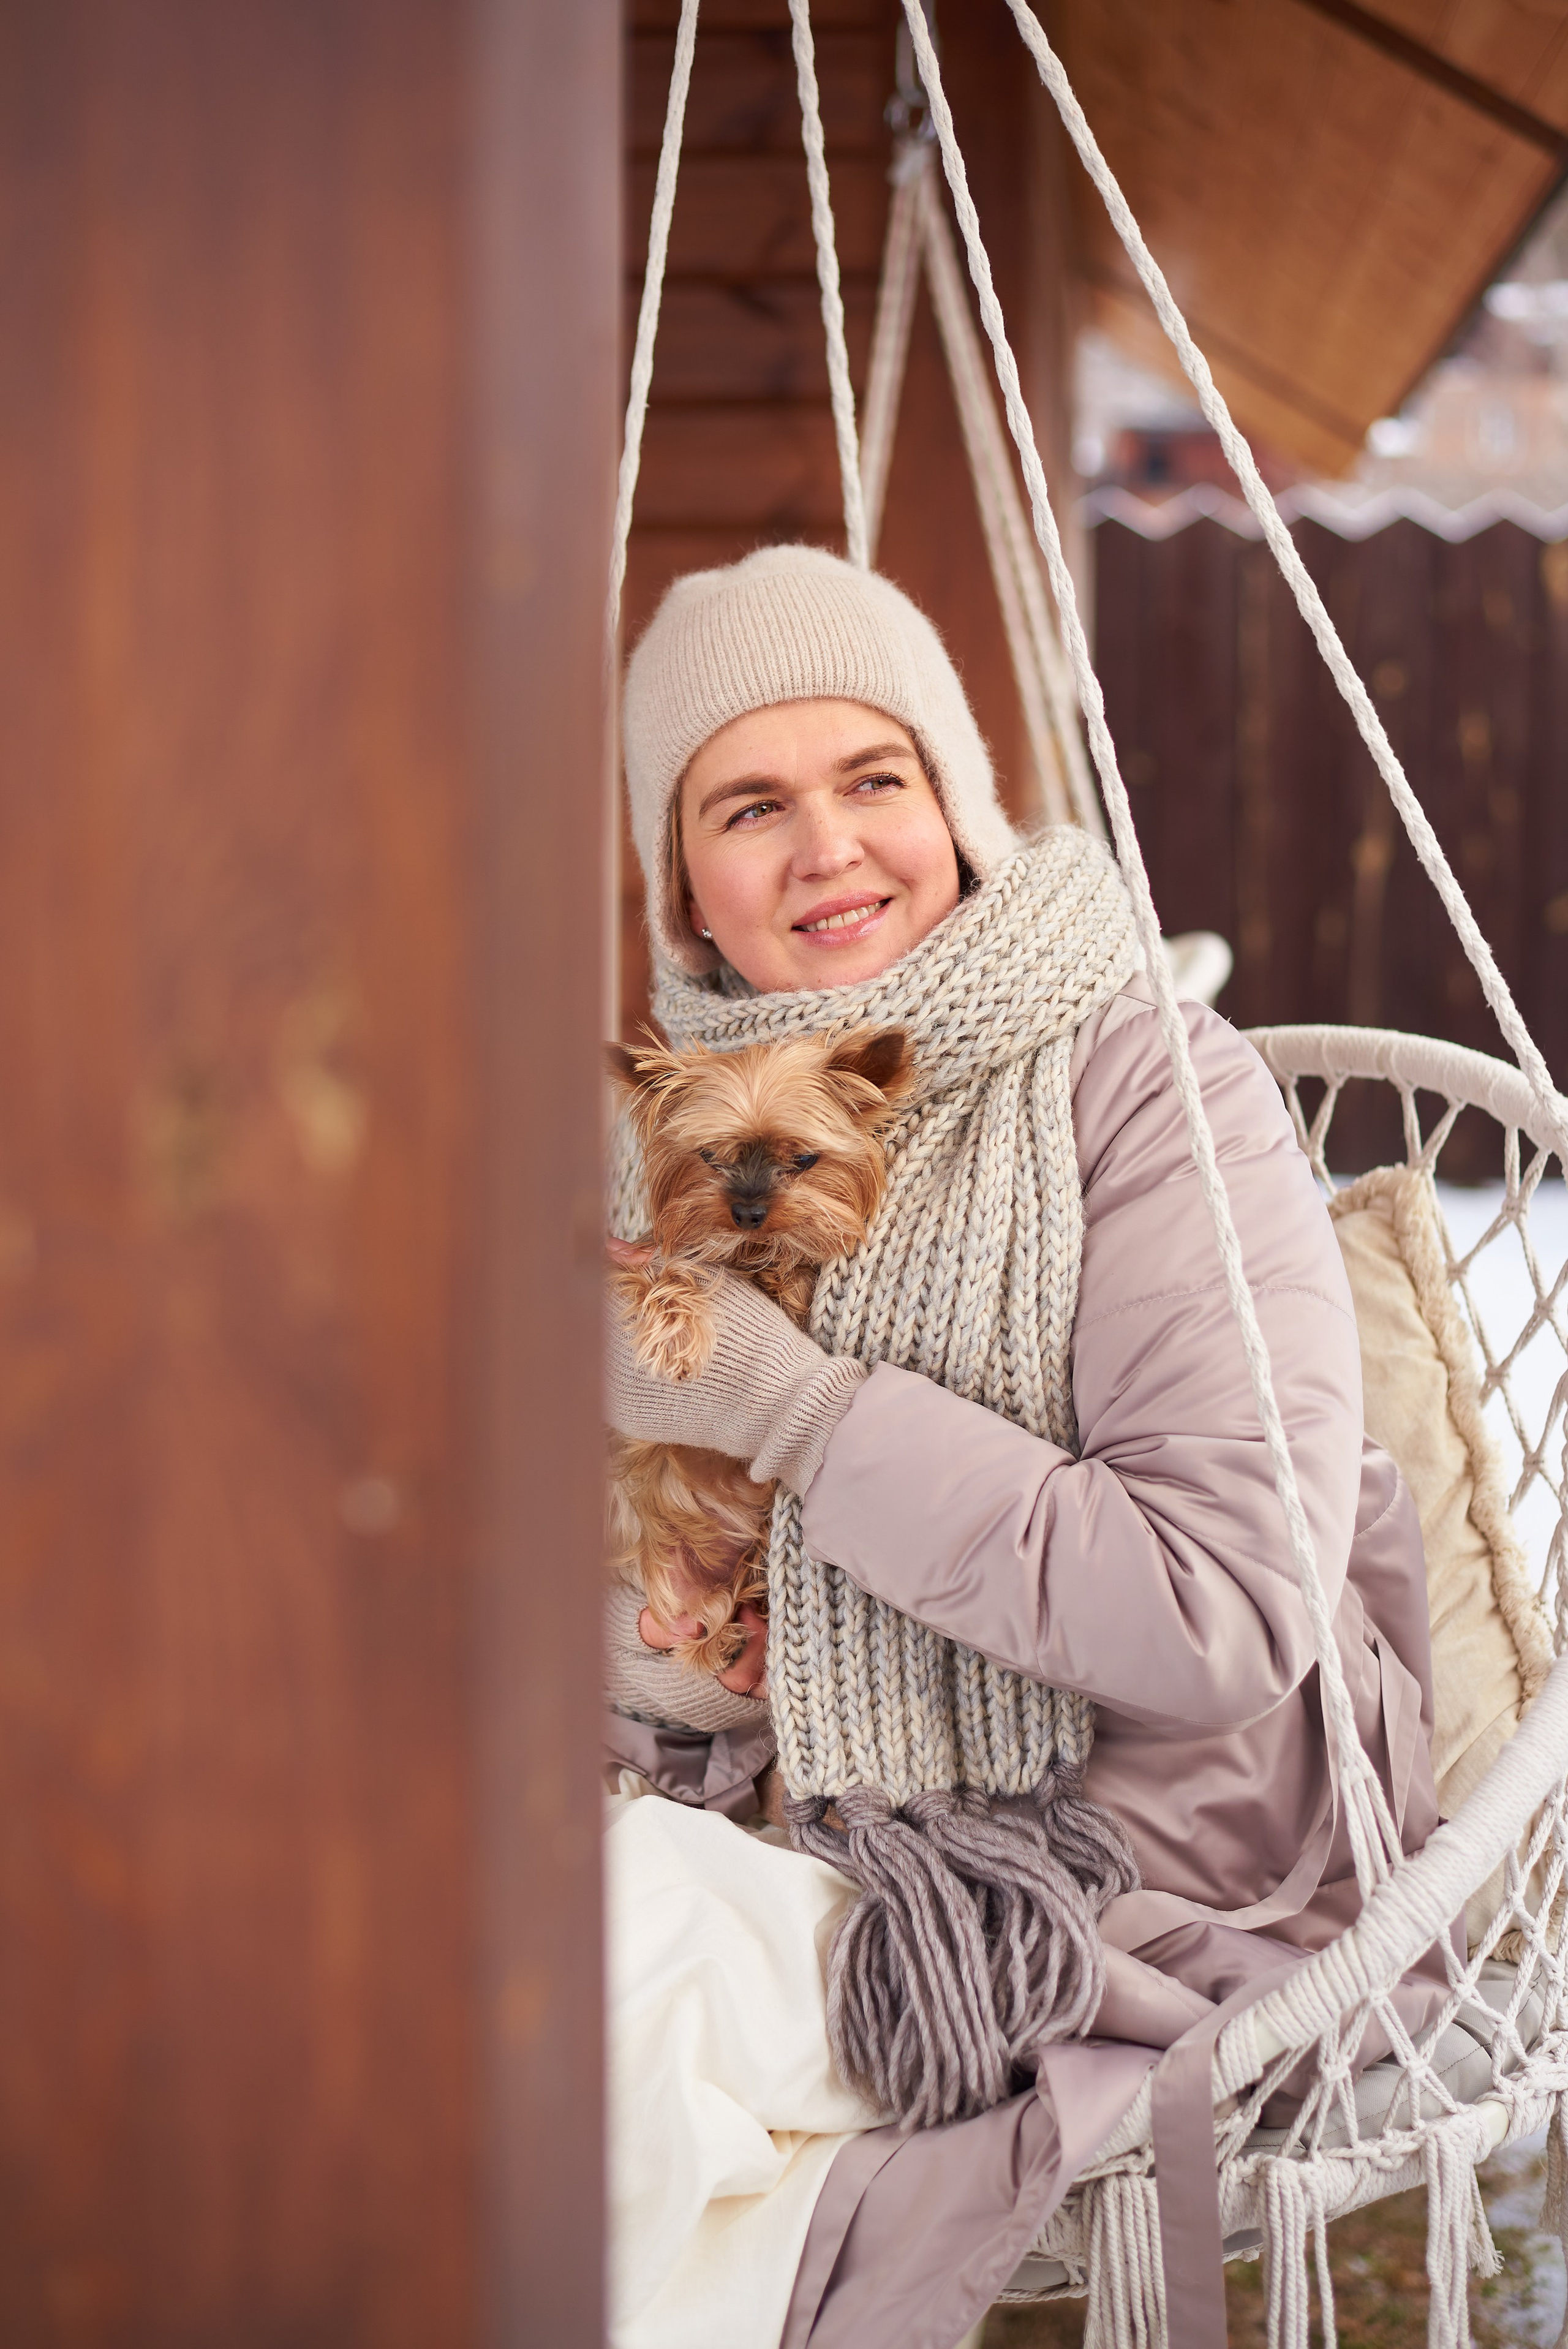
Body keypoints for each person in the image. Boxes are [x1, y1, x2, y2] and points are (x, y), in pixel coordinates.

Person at [602, 545, 1446, 2349]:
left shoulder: (1155, 1084)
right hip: (766, 1808)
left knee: (570, 2017)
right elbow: (608, 1618)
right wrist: (673, 1657)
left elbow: (1223, 1613)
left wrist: (796, 1412)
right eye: (752, 803)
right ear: (684, 882)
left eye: (875, 779)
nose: (826, 844)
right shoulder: (663, 1144)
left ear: (961, 805)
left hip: (1121, 1848)